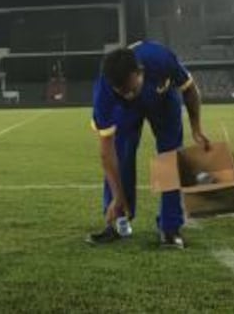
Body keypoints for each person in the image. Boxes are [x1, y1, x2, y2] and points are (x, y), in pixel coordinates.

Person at [88, 41, 210, 249]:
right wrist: (118, 197)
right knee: (122, 152)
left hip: (164, 101)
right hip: (126, 112)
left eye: (131, 89)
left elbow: (190, 90)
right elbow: (107, 154)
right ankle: (118, 222)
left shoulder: (161, 59)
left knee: (169, 158)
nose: (128, 95)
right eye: (121, 91)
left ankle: (170, 228)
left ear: (140, 71)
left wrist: (196, 129)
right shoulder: (105, 92)